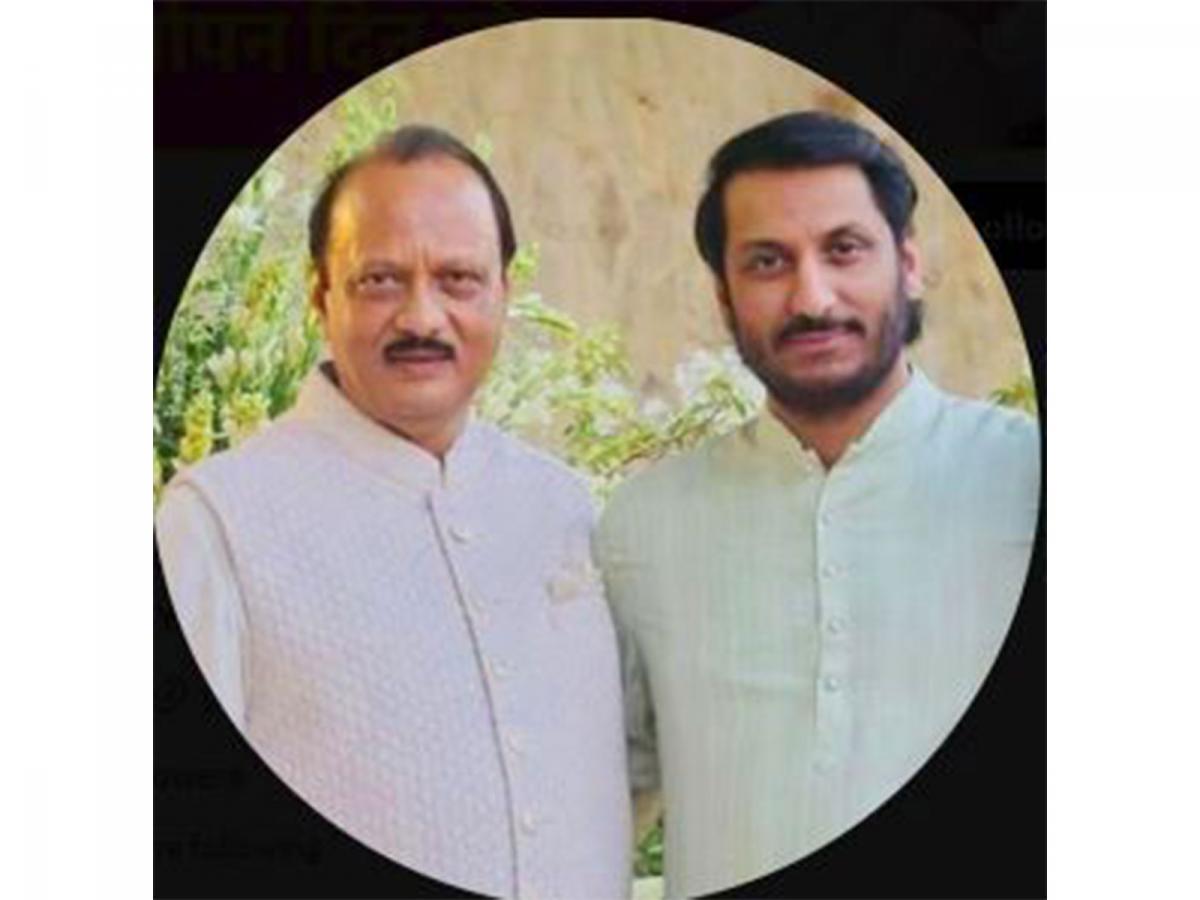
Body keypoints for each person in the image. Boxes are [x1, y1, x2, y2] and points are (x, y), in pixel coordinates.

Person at [155, 125, 631, 899]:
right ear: (320, 294)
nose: (422, 319)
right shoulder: (216, 525)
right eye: (380, 280)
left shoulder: (562, 504)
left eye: (458, 279)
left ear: (504, 293)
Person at [595, 112, 1040, 897]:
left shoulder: (1024, 480)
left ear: (908, 264)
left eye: (844, 249)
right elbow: (599, 798)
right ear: (724, 297)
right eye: (767, 262)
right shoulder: (645, 524)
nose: (812, 297)